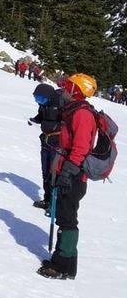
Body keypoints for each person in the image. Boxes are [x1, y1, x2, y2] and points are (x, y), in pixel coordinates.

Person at [37, 73, 98, 280]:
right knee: (65, 216)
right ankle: (66, 262)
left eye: (68, 86)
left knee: (67, 218)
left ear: (76, 91)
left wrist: (67, 173)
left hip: (73, 175)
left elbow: (80, 148)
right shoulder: (73, 111)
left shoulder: (82, 114)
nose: (63, 89)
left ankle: (62, 265)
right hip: (67, 171)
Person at [28, 84, 63, 210]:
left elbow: (66, 123)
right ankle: (47, 199)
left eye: (41, 99)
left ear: (48, 96)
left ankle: (55, 203)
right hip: (46, 142)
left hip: (58, 144)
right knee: (45, 172)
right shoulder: (43, 104)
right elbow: (41, 117)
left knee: (55, 173)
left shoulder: (60, 103)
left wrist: (53, 126)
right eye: (37, 99)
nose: (39, 102)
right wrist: (35, 120)